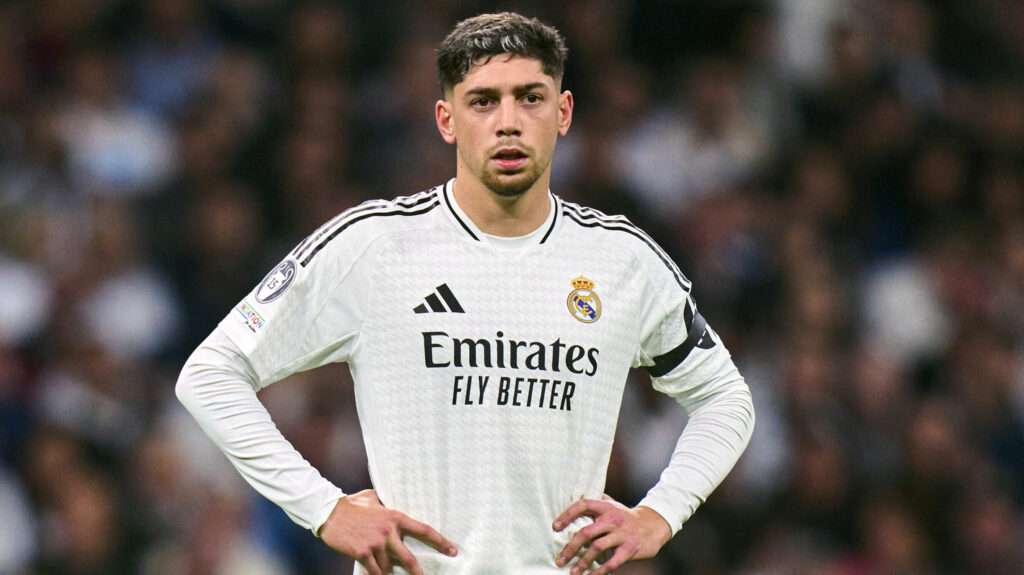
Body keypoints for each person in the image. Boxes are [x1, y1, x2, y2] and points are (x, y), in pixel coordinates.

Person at [176, 11, 754, 575]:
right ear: (446, 119)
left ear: (563, 112)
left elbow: (727, 399)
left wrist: (661, 514)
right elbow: (210, 374)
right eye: (483, 101)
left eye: (531, 98)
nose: (508, 122)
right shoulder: (376, 246)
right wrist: (324, 510)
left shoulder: (622, 262)